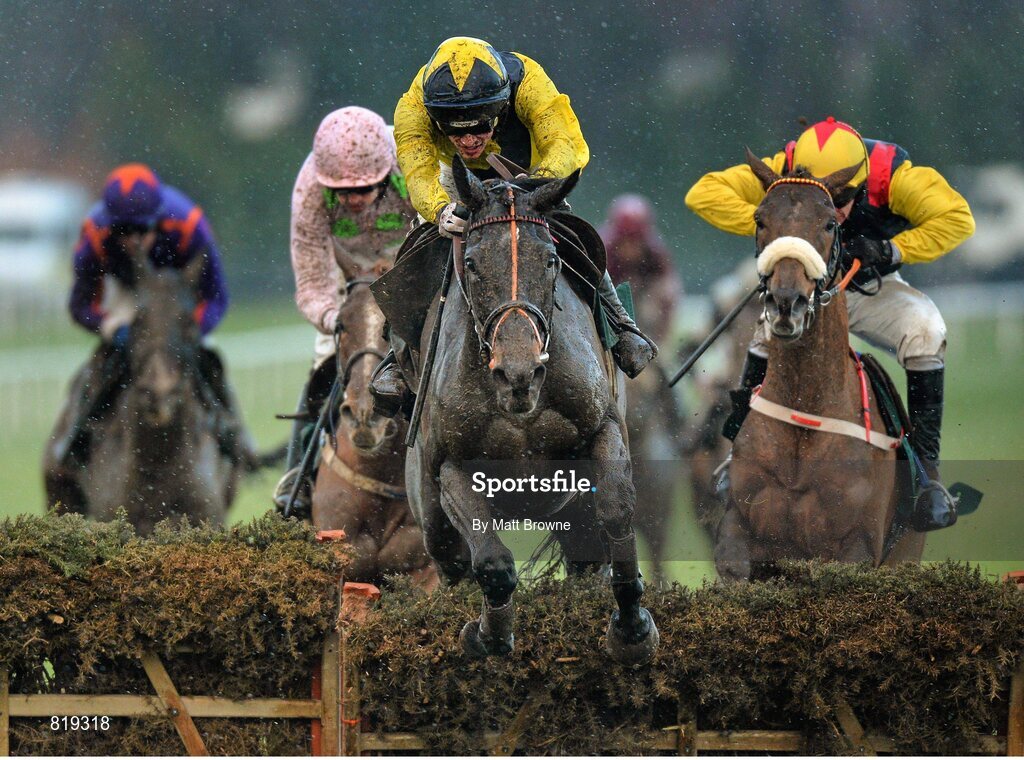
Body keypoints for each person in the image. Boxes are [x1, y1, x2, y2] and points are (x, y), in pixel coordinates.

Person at [685, 116, 976, 530]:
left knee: (925, 331)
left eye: (839, 200)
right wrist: (781, 224)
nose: (832, 214)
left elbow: (957, 218)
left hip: (869, 287)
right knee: (766, 333)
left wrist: (891, 249)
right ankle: (737, 457)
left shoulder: (895, 176)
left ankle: (928, 477)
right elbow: (704, 194)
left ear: (860, 184)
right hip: (806, 287)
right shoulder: (784, 166)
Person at [370, 36, 655, 411]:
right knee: (419, 241)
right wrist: (440, 211)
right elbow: (418, 173)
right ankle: (398, 353)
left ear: (501, 106)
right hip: (454, 178)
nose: (469, 140)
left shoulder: (530, 82)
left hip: (530, 173)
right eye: (455, 130)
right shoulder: (413, 106)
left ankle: (619, 326)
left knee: (570, 229)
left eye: (480, 126)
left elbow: (564, 145)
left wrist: (538, 186)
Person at [47, 163, 243, 491]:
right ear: (111, 226)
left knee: (211, 364)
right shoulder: (94, 233)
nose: (134, 241)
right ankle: (71, 444)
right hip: (129, 297)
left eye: (142, 230)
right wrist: (110, 327)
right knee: (102, 365)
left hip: (180, 296)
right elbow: (80, 306)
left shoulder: (189, 224)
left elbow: (217, 298)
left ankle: (237, 441)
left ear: (160, 220)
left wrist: (189, 332)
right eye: (123, 231)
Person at [273, 106, 417, 515]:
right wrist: (339, 321)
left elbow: (436, 235)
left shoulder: (413, 161)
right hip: (344, 285)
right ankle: (298, 478)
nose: (353, 200)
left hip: (410, 271)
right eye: (344, 192)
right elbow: (312, 281)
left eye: (365, 189)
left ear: (386, 173)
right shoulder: (310, 190)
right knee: (325, 363)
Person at [599, 194, 683, 347]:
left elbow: (668, 286)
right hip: (612, 300)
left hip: (643, 299)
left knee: (663, 296)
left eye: (635, 241)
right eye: (625, 241)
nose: (630, 248)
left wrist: (661, 335)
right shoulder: (605, 251)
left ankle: (656, 348)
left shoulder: (655, 252)